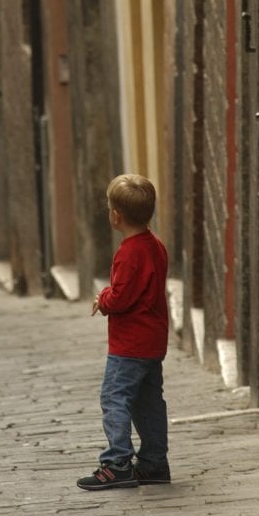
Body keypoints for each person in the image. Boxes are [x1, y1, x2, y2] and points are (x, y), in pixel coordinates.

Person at [77, 173, 170, 491]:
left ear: (115, 216)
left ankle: (117, 463)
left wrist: (102, 299)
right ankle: (155, 462)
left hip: (129, 344)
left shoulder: (129, 253)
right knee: (149, 401)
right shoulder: (155, 245)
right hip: (153, 340)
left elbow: (121, 297)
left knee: (114, 398)